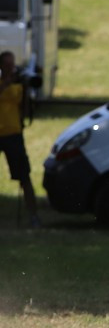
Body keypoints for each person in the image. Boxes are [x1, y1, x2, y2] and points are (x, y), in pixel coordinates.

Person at [0, 51, 42, 228]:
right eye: (7, 65)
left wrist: (25, 89)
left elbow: (25, 112)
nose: (11, 68)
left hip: (13, 134)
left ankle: (33, 216)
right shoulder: (4, 81)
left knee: (24, 176)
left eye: (12, 64)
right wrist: (8, 81)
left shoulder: (18, 83)